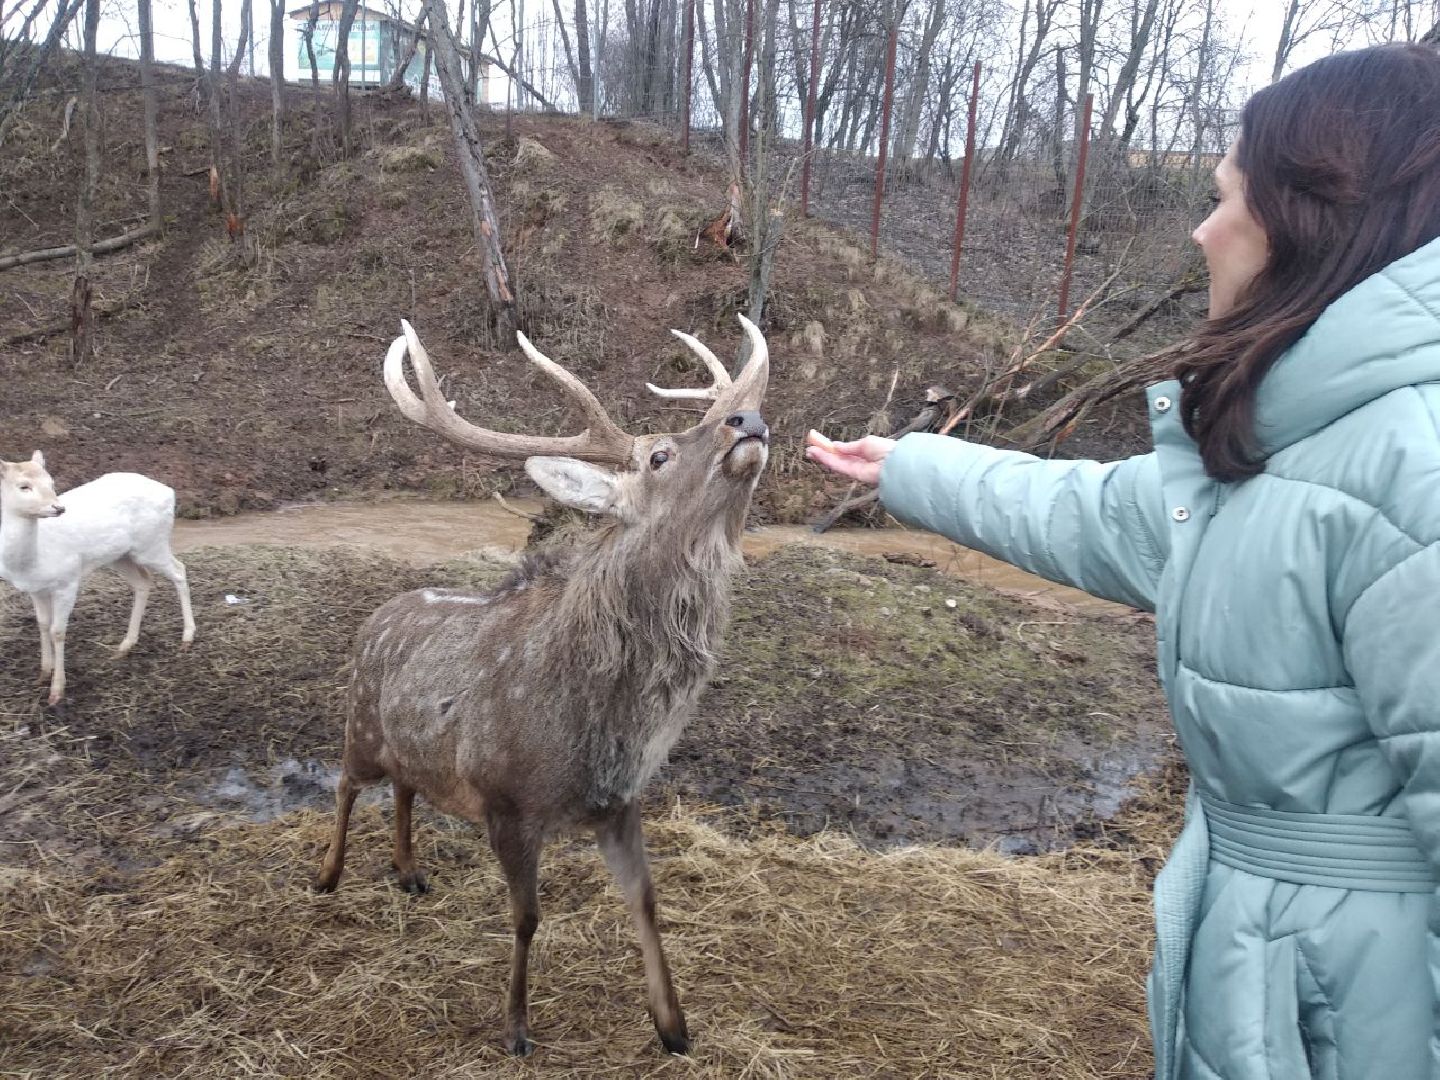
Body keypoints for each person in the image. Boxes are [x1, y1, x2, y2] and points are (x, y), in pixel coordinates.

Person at [806, 43, 1440, 1080]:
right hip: (1272, 980)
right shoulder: (1284, 456)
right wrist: (910, 468)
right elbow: (1090, 511)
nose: (1201, 229)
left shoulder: (1413, 468)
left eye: (1224, 195)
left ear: (1306, 222)